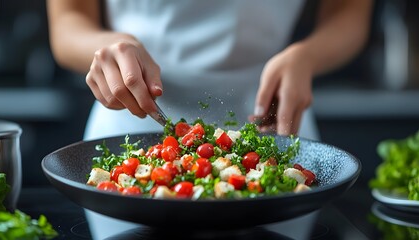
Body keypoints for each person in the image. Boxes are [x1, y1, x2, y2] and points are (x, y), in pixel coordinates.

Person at [47, 0, 373, 239]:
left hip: (275, 128)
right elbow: (67, 22)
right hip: (131, 117)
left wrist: (308, 56)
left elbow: (349, 15)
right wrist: (108, 47)